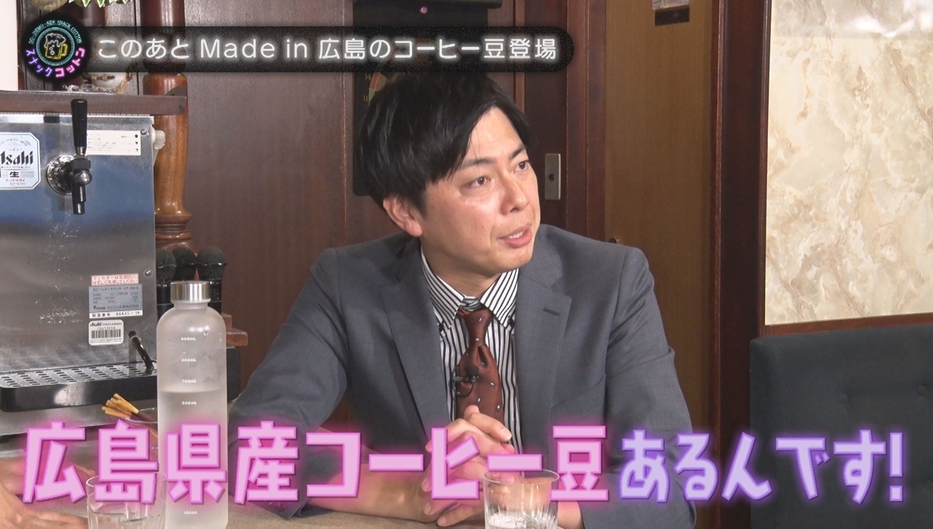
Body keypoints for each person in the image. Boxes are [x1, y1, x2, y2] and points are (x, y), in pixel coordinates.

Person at [228, 73, 695, 528]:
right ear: (406, 211)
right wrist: (412, 492)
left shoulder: (611, 282)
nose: (519, 199)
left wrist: (521, 500)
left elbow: (673, 485)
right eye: (480, 181)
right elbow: (249, 444)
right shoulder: (348, 285)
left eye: (521, 165)